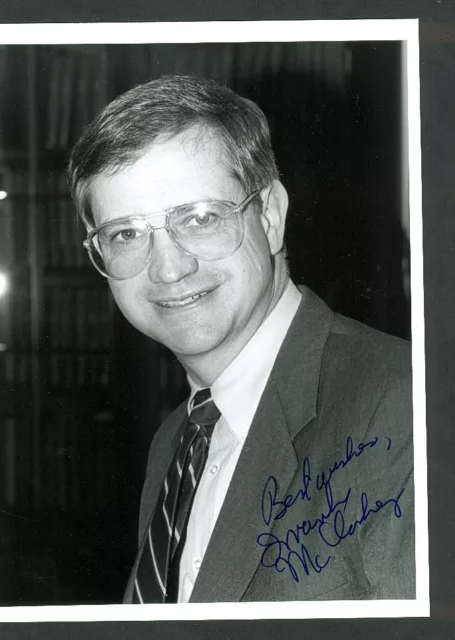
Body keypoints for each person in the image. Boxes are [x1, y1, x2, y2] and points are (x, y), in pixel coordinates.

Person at [68, 75, 414, 603]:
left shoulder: (406, 404)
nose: (168, 268)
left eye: (201, 217)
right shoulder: (174, 444)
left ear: (270, 215)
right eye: (126, 234)